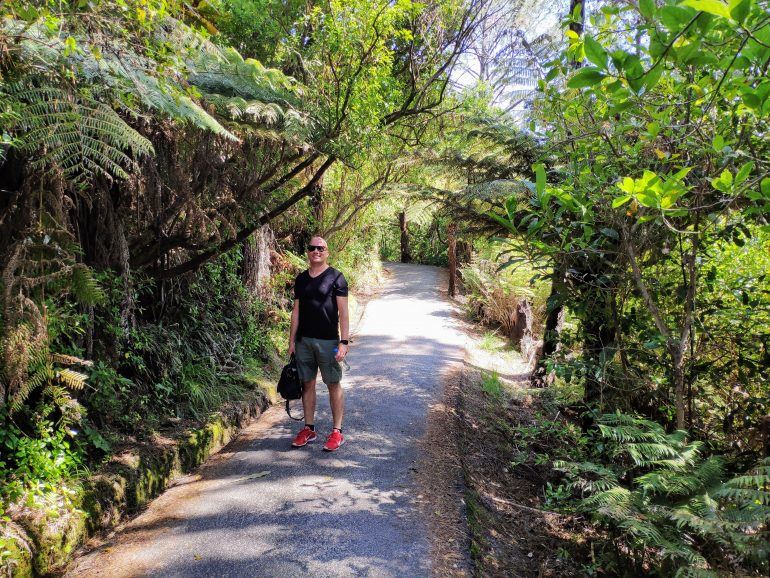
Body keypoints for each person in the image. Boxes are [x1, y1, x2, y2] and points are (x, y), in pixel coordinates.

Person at [288, 235, 349, 451]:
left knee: (333, 383)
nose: (316, 251)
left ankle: (336, 432)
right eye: (312, 248)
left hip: (329, 341)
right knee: (307, 383)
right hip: (304, 341)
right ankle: (309, 428)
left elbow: (343, 313)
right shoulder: (301, 279)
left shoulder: (337, 278)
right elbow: (296, 311)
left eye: (320, 248)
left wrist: (344, 342)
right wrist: (292, 341)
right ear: (308, 252)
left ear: (327, 252)